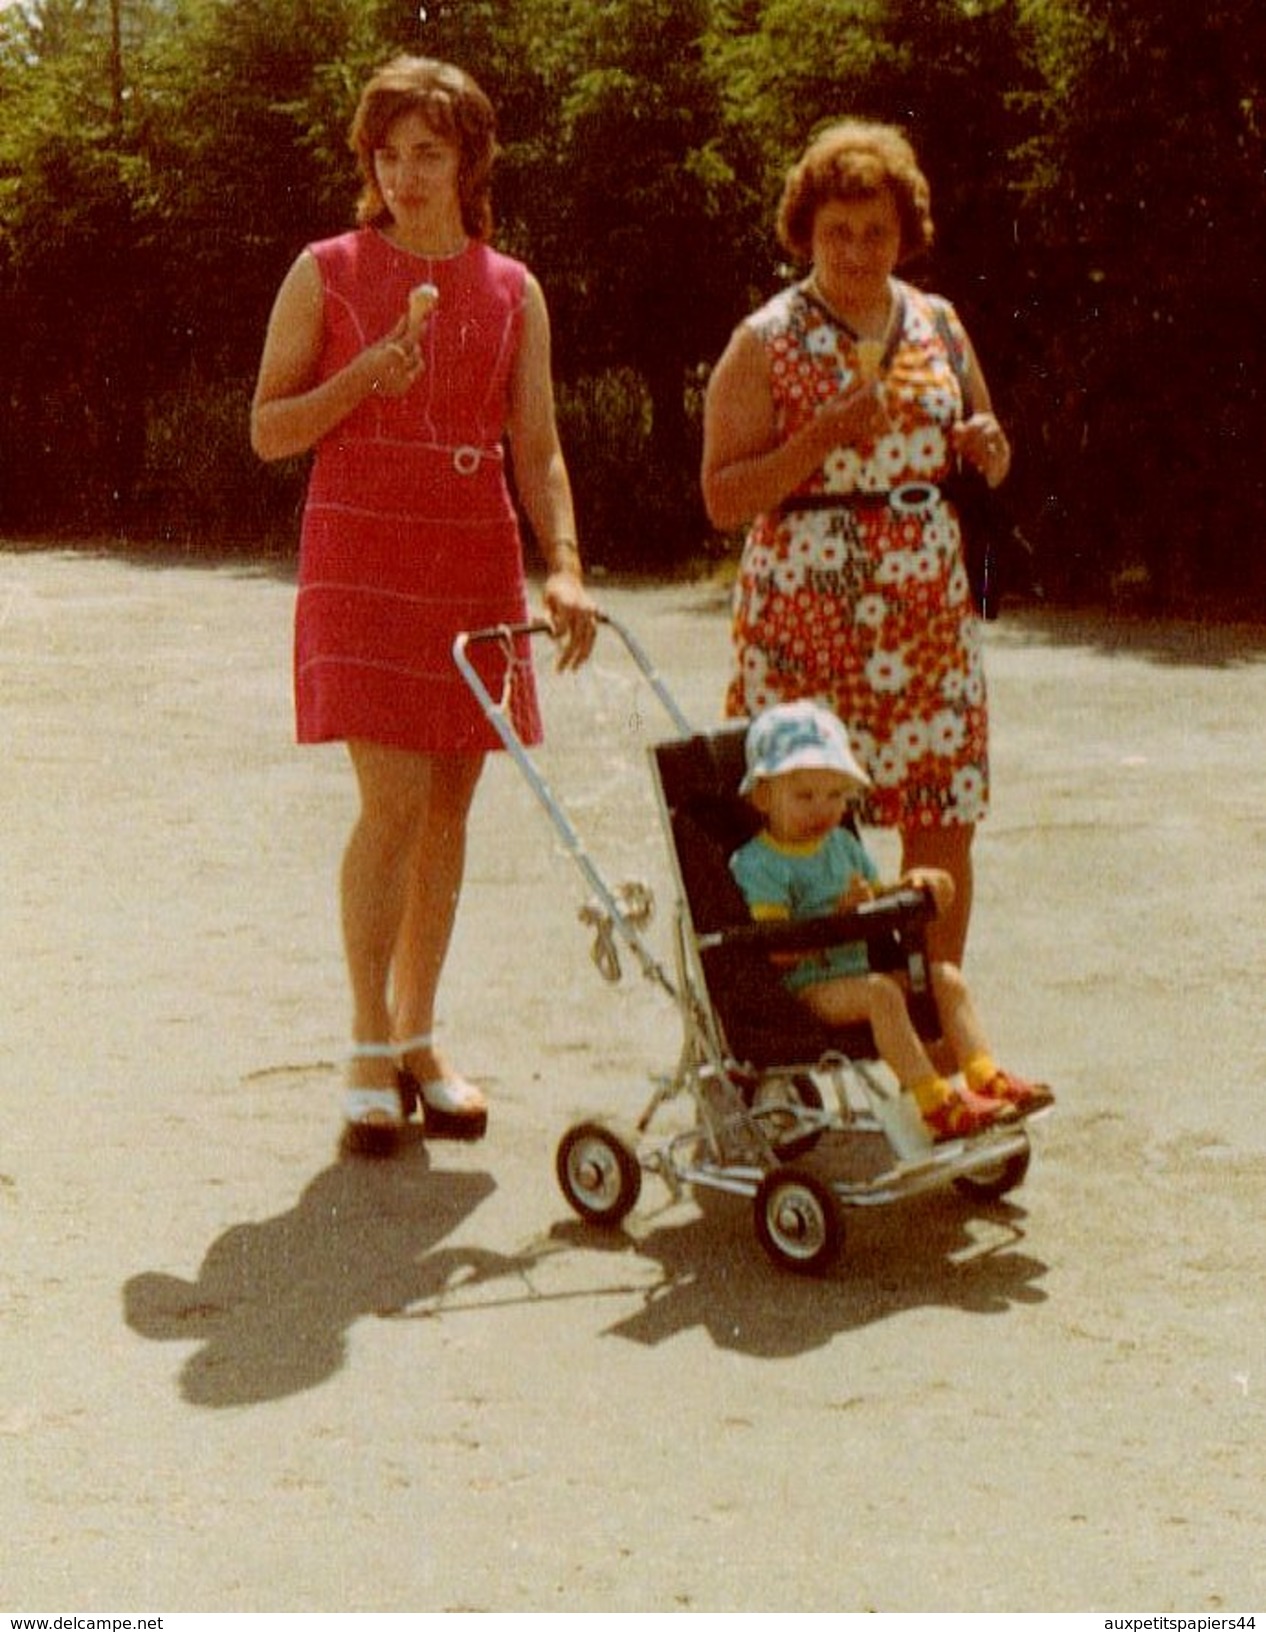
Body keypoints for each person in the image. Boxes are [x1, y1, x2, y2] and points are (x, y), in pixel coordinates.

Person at [251, 55, 598, 1151]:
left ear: (468, 160)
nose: (404, 175)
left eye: (428, 153)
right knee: (393, 800)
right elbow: (268, 429)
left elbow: (536, 445)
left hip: (473, 556)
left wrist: (568, 564)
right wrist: (364, 381)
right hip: (361, 554)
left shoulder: (513, 288)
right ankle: (364, 1038)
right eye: (387, 153)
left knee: (449, 809)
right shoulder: (327, 270)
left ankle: (418, 1036)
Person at [702, 119, 1012, 968]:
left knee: (943, 817)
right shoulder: (765, 338)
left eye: (877, 231)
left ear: (906, 234)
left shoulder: (938, 322)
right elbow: (723, 498)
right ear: (805, 231)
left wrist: (987, 446)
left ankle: (940, 1024)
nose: (856, 247)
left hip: (926, 610)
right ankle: (817, 1018)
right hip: (808, 615)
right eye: (837, 230)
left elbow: (982, 438)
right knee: (802, 820)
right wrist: (819, 439)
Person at [729, 701, 1053, 1143]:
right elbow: (777, 949)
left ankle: (984, 1075)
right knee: (881, 992)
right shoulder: (760, 863)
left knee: (946, 978)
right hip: (805, 988)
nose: (822, 808)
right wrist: (837, 918)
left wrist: (914, 885)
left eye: (836, 795)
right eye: (804, 796)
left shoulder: (841, 846)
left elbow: (876, 898)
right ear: (764, 797)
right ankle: (934, 1100)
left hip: (856, 977)